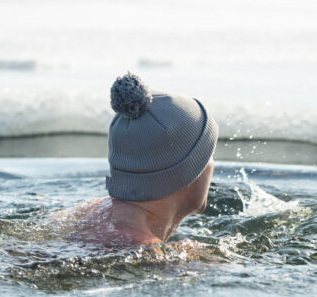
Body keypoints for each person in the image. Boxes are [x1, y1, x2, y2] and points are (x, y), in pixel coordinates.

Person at [57, 73, 218, 246]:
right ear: (188, 175)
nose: (212, 165)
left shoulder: (81, 214)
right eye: (208, 155)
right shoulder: (157, 255)